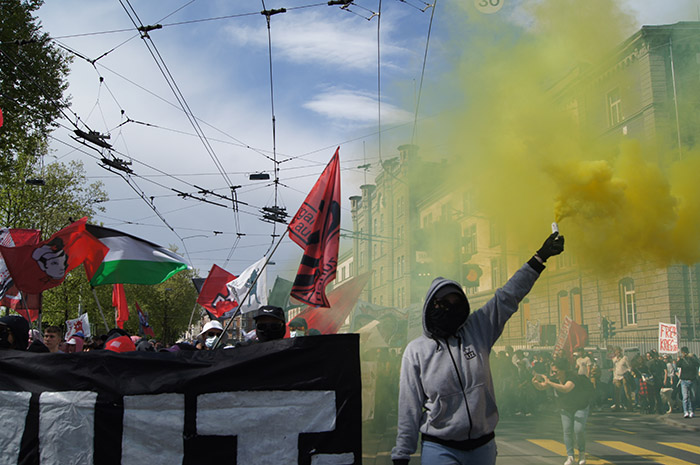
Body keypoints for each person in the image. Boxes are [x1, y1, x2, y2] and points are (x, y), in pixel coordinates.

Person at [391, 231, 564, 465]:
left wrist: (539, 258)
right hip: (439, 447)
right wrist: (402, 453)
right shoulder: (416, 351)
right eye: (441, 304)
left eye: (455, 303)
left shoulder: (478, 329)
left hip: (483, 446)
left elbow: (507, 296)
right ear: (430, 306)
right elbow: (408, 406)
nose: (448, 309)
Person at [532, 357, 591, 465]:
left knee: (579, 430)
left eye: (555, 371)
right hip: (565, 407)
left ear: (563, 370)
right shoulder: (554, 378)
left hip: (580, 406)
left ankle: (582, 454)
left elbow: (566, 388)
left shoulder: (573, 377)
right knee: (567, 431)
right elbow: (542, 387)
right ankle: (570, 456)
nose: (553, 373)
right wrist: (535, 383)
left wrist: (549, 382)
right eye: (552, 371)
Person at [676, 346, 699, 418]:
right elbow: (678, 365)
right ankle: (686, 411)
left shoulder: (692, 359)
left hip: (692, 380)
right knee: (685, 397)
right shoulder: (682, 360)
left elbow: (698, 363)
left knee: (693, 396)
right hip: (684, 380)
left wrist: (693, 357)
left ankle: (691, 410)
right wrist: (679, 358)